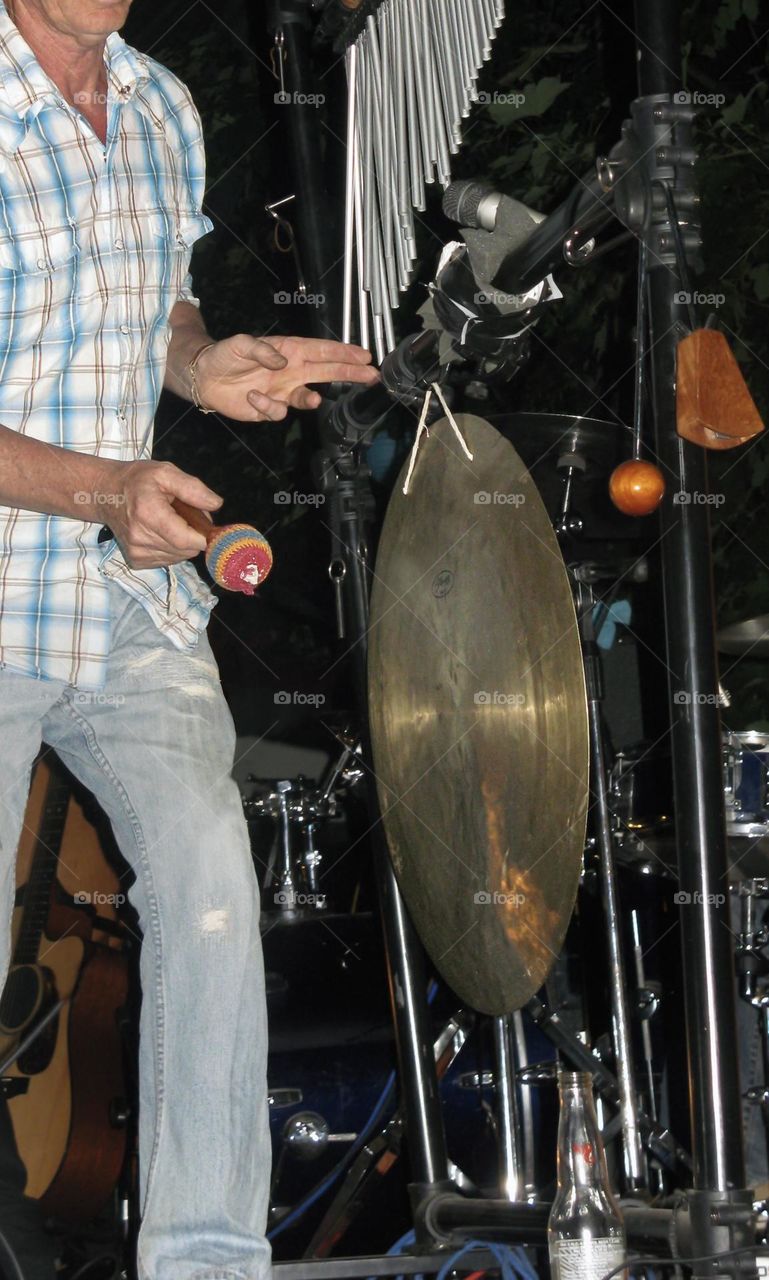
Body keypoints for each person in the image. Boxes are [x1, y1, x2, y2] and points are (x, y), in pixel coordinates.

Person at [0, 1, 379, 1278]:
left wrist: (204, 359)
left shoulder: (161, 104)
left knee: (214, 882)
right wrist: (105, 486)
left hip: (123, 589)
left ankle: (208, 1256)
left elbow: (153, 304)